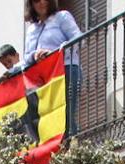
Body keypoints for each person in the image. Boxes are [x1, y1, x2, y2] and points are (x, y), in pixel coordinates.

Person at [24, 0, 82, 137]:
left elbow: (79, 39)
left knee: (66, 114)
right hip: (44, 78)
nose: (42, 3)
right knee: (47, 118)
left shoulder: (62, 17)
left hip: (65, 70)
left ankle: (70, 149)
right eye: (36, 0)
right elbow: (26, 58)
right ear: (31, 4)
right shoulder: (32, 29)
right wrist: (34, 56)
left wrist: (55, 54)